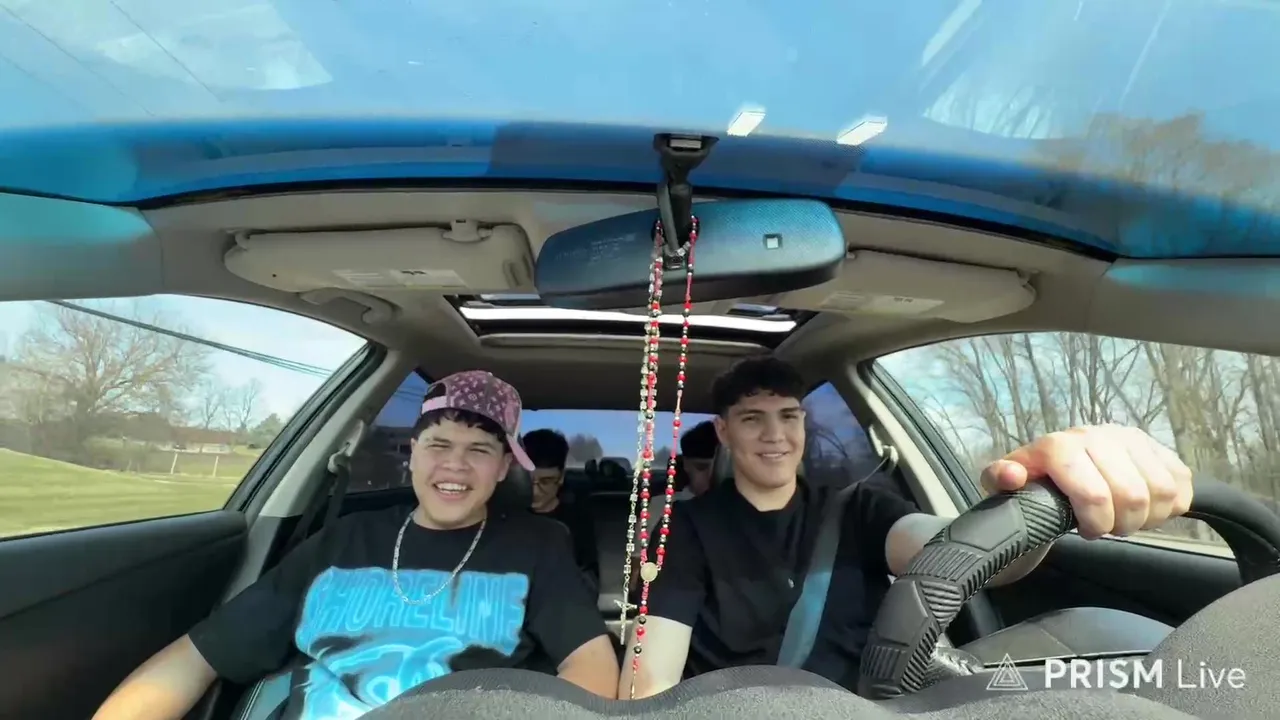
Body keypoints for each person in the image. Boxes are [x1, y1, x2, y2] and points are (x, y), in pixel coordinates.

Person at [622, 357, 1194, 699]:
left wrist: (1044, 496)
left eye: (788, 416)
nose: (775, 435)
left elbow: (965, 555)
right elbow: (652, 680)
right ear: (724, 433)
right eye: (753, 419)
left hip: (871, 706)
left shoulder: (860, 509)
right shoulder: (683, 529)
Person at [93, 370, 619, 720]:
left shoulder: (537, 546)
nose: (455, 465)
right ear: (412, 453)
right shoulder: (341, 540)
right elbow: (196, 659)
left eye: (480, 450)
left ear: (504, 468)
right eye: (438, 444)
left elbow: (592, 668)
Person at [525, 428, 600, 590]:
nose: (535, 491)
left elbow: (589, 580)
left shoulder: (577, 520)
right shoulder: (503, 515)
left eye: (546, 481)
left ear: (561, 478)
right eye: (528, 481)